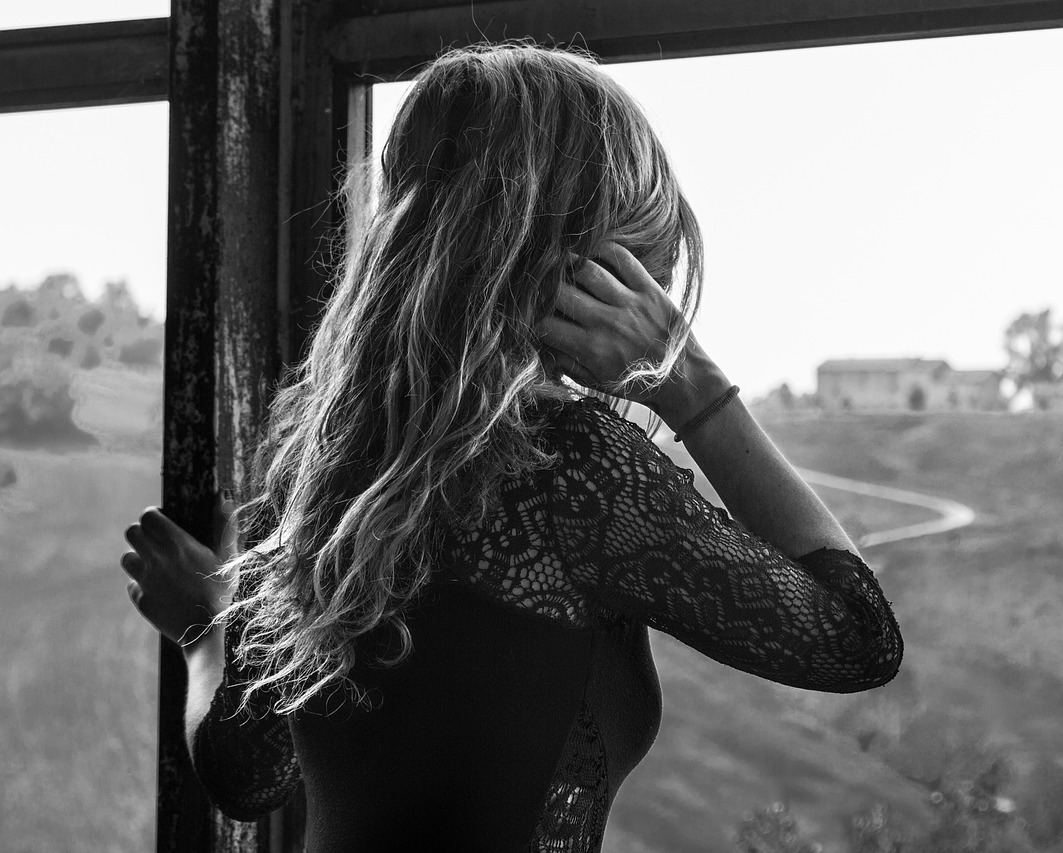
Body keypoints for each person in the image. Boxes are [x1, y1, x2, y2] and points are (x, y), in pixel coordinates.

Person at [119, 42, 903, 852]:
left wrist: (203, 626)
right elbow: (858, 638)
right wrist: (689, 381)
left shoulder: (323, 464)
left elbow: (248, 771)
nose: (659, 286)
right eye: (646, 260)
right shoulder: (572, 475)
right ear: (587, 258)